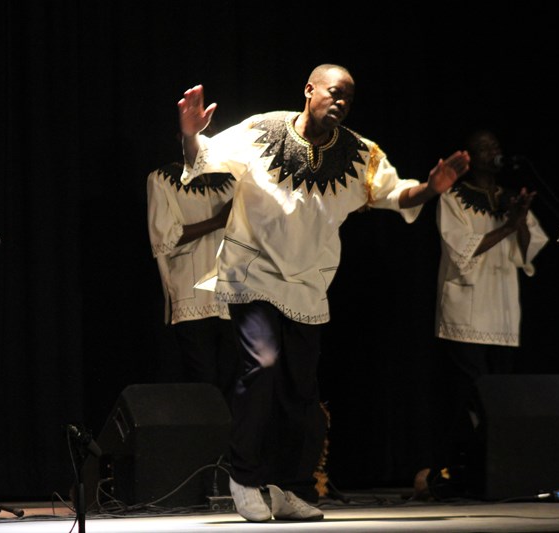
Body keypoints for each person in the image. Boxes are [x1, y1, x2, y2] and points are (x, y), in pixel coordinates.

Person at [177, 64, 470, 522]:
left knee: (299, 389)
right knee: (263, 364)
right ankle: (244, 475)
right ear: (309, 90)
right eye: (334, 93)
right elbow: (205, 156)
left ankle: (289, 486)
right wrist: (191, 133)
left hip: (308, 283)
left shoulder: (359, 154)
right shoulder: (261, 129)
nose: (341, 103)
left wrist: (430, 189)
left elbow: (394, 195)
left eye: (348, 99)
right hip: (251, 271)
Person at [414, 129, 549, 499]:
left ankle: (499, 469)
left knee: (501, 395)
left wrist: (518, 220)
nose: (494, 153)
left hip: (503, 311)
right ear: (471, 156)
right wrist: (507, 225)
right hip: (467, 313)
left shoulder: (509, 198)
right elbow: (462, 250)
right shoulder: (453, 197)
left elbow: (528, 250)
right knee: (469, 396)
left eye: (497, 147)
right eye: (485, 148)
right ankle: (459, 468)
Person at [146, 155, 239, 401]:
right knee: (205, 385)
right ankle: (209, 438)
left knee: (234, 384)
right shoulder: (162, 179)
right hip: (192, 295)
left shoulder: (233, 178)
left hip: (232, 294)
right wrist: (218, 221)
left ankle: (229, 439)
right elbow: (164, 238)